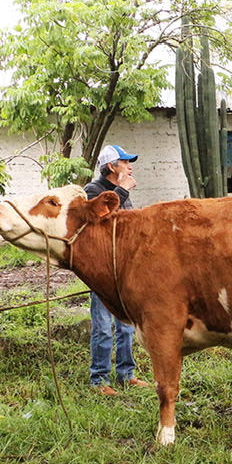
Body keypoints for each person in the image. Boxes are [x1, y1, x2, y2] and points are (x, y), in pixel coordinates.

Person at [85, 144, 151, 395]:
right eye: (125, 162)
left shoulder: (122, 190)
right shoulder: (93, 190)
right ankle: (99, 380)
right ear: (111, 166)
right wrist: (121, 190)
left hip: (124, 269)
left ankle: (126, 374)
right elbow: (100, 221)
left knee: (126, 325)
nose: (130, 166)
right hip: (102, 270)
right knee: (102, 326)